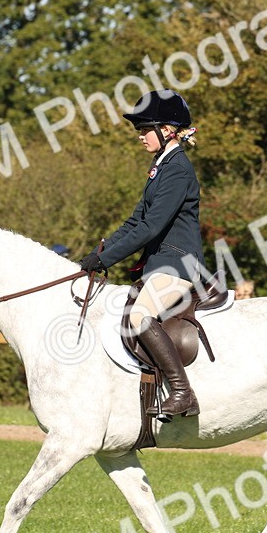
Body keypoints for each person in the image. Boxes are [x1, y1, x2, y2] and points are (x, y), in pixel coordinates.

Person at [78, 89, 205, 419]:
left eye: (144, 130)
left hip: (178, 264)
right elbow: (136, 220)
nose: (140, 136)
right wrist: (95, 254)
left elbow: (150, 228)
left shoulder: (177, 169)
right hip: (160, 264)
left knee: (139, 317)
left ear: (167, 131)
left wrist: (106, 260)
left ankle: (182, 392)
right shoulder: (160, 166)